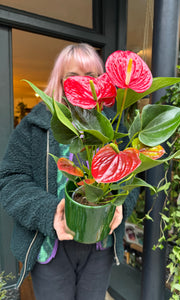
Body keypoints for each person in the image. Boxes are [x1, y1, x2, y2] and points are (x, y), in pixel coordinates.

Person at [0, 44, 139, 300]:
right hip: (50, 244)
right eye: (73, 77)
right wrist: (49, 212)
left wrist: (121, 204)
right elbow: (10, 181)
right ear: (59, 81)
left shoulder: (115, 126)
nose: (84, 84)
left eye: (92, 76)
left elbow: (129, 177)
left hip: (99, 243)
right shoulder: (35, 126)